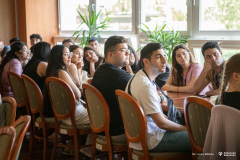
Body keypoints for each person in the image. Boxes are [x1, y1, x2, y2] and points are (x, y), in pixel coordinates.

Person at [126, 43, 191, 152]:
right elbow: (162, 123)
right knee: (203, 138)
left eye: (164, 56)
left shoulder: (140, 77)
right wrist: (185, 129)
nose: (165, 61)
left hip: (143, 136)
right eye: (158, 57)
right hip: (153, 139)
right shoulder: (145, 86)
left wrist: (160, 99)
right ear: (146, 61)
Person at [91, 36, 132, 142]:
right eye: (123, 51)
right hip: (119, 131)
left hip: (100, 129)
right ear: (110, 54)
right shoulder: (120, 76)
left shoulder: (100, 70)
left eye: (128, 50)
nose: (128, 54)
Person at [42, 45, 89, 125]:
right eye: (66, 54)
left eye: (69, 54)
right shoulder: (61, 73)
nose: (69, 57)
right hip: (72, 113)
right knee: (102, 116)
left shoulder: (52, 72)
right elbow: (78, 94)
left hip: (63, 114)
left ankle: (89, 138)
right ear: (58, 56)